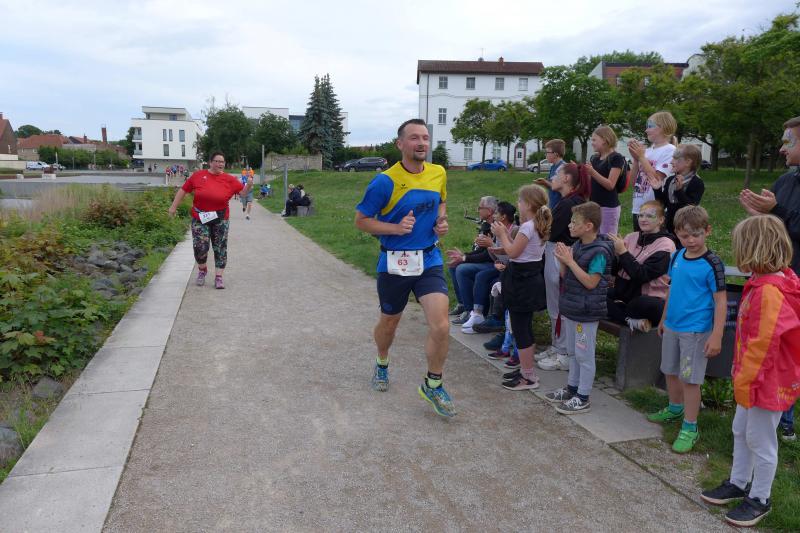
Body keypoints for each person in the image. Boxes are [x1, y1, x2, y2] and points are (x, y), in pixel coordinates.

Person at [700, 215, 800, 528]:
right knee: (741, 430)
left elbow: (764, 343)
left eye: (739, 247)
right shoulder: (762, 282)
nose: (736, 252)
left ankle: (760, 498)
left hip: (765, 380)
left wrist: (745, 380)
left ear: (754, 249)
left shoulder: (769, 291)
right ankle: (739, 481)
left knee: (761, 440)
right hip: (753, 376)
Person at [354, 118, 454, 417]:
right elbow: (361, 221)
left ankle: (433, 384)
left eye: (425, 138)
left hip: (429, 259)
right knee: (390, 323)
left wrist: (441, 221)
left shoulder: (438, 172)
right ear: (400, 144)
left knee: (441, 325)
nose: (421, 143)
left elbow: (441, 202)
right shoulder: (384, 181)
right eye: (414, 138)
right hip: (395, 261)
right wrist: (395, 229)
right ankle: (382, 361)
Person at [740, 115, 800, 443]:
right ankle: (761, 407)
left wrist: (776, 211)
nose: (781, 148)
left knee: (789, 350)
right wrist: (760, 216)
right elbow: (774, 228)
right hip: (774, 278)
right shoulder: (786, 181)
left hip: (794, 284)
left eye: (789, 141)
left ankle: (783, 416)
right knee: (765, 344)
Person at [647, 205, 727, 453]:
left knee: (690, 379)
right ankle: (675, 408)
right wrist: (663, 318)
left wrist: (717, 334)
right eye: (684, 236)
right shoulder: (677, 257)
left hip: (695, 330)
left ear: (707, 231)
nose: (690, 240)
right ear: (676, 234)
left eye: (696, 234)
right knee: (670, 370)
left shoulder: (712, 263)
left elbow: (720, 301)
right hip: (672, 325)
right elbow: (672, 289)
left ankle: (690, 426)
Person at [538, 202, 613, 413]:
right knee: (573, 353)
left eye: (574, 222)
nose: (569, 225)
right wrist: (563, 262)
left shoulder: (599, 252)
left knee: (584, 356)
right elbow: (567, 276)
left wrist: (570, 262)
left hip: (586, 313)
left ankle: (583, 396)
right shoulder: (579, 245)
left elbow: (590, 282)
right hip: (572, 308)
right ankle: (572, 388)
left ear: (588, 226)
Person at [490, 185, 550, 391]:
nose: (518, 204)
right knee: (524, 328)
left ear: (529, 204)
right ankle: (526, 370)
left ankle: (528, 377)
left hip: (522, 281)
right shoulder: (536, 225)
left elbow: (513, 253)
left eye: (520, 201)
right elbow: (520, 249)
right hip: (529, 278)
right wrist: (502, 242)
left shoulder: (527, 227)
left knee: (520, 329)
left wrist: (502, 233)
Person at [168, 151, 253, 290]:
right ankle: (202, 270)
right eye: (217, 161)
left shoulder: (229, 179)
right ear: (210, 162)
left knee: (220, 248)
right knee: (200, 247)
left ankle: (219, 277)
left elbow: (242, 193)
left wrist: (248, 185)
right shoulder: (198, 176)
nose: (220, 164)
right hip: (200, 218)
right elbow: (183, 190)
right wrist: (173, 207)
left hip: (221, 219)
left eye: (222, 162)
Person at [538, 162, 589, 371]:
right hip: (557, 252)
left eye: (557, 174)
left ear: (567, 178)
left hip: (561, 254)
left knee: (559, 306)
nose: (553, 177)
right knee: (554, 305)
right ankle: (557, 345)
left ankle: (564, 353)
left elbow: (550, 232)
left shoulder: (569, 204)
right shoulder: (567, 201)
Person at [606, 200, 675, 333]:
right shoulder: (631, 237)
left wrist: (623, 253)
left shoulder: (666, 245)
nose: (643, 219)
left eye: (649, 216)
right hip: (624, 293)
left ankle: (619, 312)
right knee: (597, 295)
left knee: (639, 304)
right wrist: (615, 255)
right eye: (641, 215)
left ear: (661, 220)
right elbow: (614, 271)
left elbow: (642, 275)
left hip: (650, 298)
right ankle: (629, 319)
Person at [445, 196, 498, 332]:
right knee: (454, 266)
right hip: (488, 260)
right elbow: (481, 251)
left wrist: (464, 258)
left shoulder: (496, 226)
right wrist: (463, 256)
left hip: (494, 263)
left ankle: (470, 311)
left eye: (480, 208)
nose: (477, 210)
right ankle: (463, 304)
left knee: (462, 269)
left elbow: (488, 255)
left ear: (489, 211)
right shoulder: (486, 225)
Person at [473, 201, 519, 334]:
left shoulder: (515, 231)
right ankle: (477, 313)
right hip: (502, 267)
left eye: (497, 213)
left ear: (503, 217)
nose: (494, 216)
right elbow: (497, 257)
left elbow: (512, 255)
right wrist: (490, 248)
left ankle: (496, 320)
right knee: (482, 276)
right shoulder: (497, 230)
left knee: (495, 281)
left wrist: (491, 245)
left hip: (511, 269)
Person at [628, 111, 677, 231]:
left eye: (650, 126)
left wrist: (641, 157)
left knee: (655, 242)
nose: (646, 130)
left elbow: (656, 179)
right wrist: (636, 160)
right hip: (638, 209)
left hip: (655, 210)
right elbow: (633, 182)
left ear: (663, 128)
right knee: (640, 241)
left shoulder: (670, 150)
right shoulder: (647, 152)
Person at [652, 144, 705, 235]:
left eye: (675, 158)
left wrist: (679, 191)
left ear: (688, 162)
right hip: (669, 226)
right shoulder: (670, 180)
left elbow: (691, 206)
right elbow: (663, 204)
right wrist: (657, 189)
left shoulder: (696, 182)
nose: (671, 161)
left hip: (686, 228)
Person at [585, 126, 626, 235]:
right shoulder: (595, 158)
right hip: (594, 205)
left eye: (594, 140)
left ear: (604, 140)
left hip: (607, 207)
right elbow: (592, 181)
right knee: (593, 238)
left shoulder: (616, 158)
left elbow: (610, 185)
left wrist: (592, 172)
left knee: (607, 239)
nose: (592, 143)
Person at [535, 138, 567, 208]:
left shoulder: (562, 167)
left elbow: (560, 187)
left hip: (560, 205)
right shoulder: (553, 166)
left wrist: (545, 182)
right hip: (553, 204)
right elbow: (551, 186)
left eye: (547, 152)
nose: (545, 155)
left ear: (555, 154)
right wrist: (544, 182)